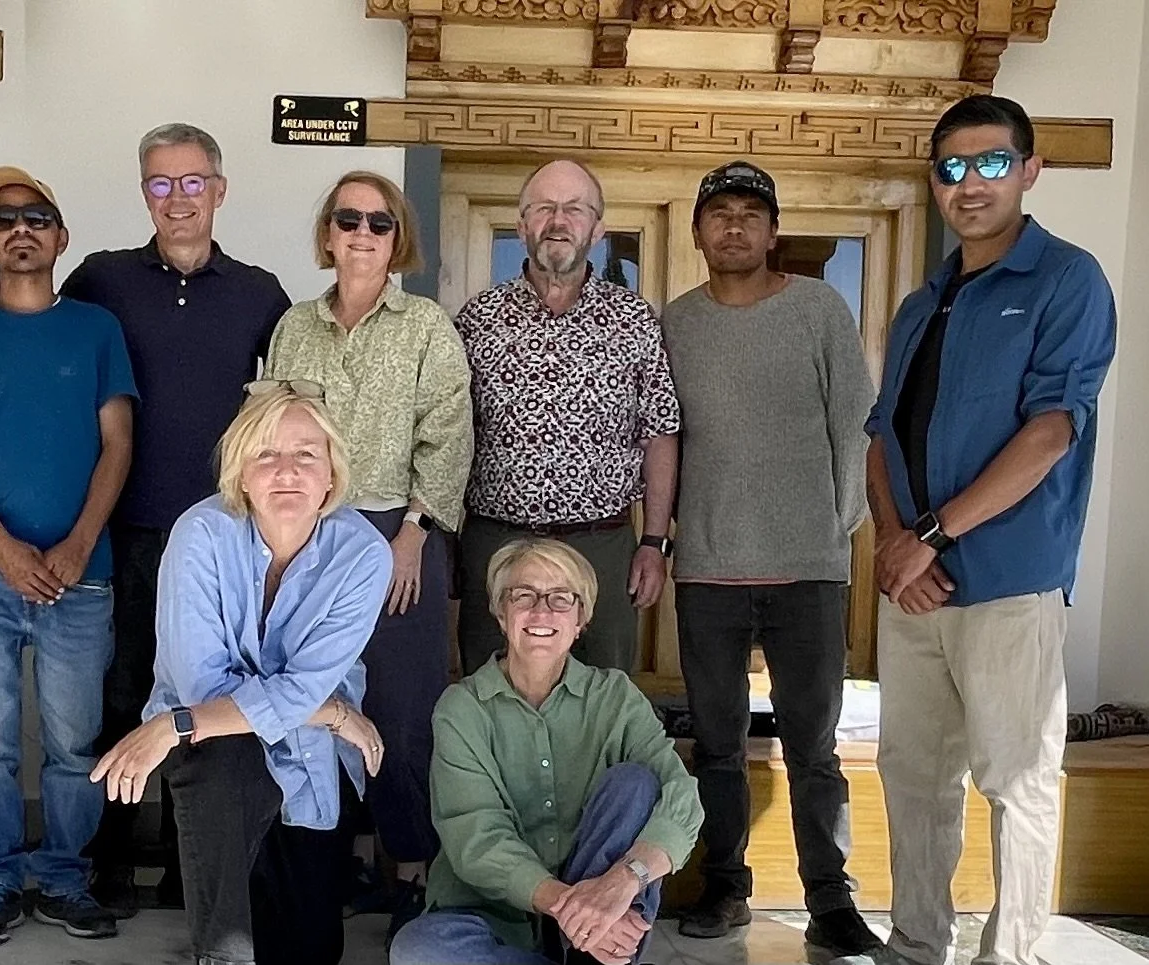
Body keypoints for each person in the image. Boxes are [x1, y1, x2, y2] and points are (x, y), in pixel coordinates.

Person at [836, 96, 1117, 965]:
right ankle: (917, 941)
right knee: (914, 775)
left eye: (992, 162)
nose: (971, 184)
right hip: (913, 588)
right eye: (952, 167)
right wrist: (896, 545)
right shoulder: (921, 304)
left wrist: (929, 535)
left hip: (1008, 583)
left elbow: (1050, 433)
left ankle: (1012, 953)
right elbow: (880, 436)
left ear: (1029, 170)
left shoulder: (1067, 280)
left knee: (1017, 779)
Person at [61, 122, 291, 912]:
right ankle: (111, 857)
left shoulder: (260, 293)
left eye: (193, 181)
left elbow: (285, 409)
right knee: (122, 691)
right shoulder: (102, 280)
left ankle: (191, 867)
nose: (178, 197)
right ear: (144, 193)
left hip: (226, 536)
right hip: (126, 527)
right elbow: (59, 366)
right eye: (161, 183)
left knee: (206, 696)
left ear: (219, 190)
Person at [658, 160, 881, 954]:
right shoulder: (676, 323)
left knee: (814, 747)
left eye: (752, 213)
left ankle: (830, 898)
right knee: (717, 745)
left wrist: (834, 527)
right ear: (697, 232)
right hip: (708, 566)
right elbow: (663, 435)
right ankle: (726, 886)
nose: (735, 225)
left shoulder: (819, 309)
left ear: (774, 231)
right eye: (719, 212)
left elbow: (855, 422)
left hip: (808, 570)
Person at [91, 383, 393, 965]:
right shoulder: (200, 534)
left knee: (308, 949)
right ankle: (222, 956)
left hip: (305, 754)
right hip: (216, 750)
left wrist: (173, 725)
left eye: (306, 454)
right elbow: (202, 691)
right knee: (223, 762)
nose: (287, 471)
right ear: (241, 473)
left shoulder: (363, 553)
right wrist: (331, 712)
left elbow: (296, 686)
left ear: (331, 473)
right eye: (266, 454)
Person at [263, 170, 472, 938]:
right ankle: (343, 859)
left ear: (397, 238)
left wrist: (414, 532)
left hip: (395, 532)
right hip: (310, 536)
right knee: (321, 699)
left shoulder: (425, 327)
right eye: (347, 219)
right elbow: (271, 429)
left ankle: (411, 866)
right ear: (328, 232)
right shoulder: (294, 326)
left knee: (403, 712)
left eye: (378, 223)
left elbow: (447, 433)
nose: (361, 233)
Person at [0, 166, 137, 945]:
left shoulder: (97, 328)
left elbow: (118, 443)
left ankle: (63, 879)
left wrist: (79, 543)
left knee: (73, 744)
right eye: (3, 218)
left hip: (81, 575)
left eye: (38, 217)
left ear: (61, 237)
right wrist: (3, 548)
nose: (22, 228)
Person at [390, 538, 702, 965]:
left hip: (603, 918)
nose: (541, 612)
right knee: (417, 950)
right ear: (501, 614)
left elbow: (681, 795)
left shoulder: (615, 697)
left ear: (581, 619)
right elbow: (476, 837)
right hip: (492, 917)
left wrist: (622, 883)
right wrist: (571, 908)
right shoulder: (461, 708)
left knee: (635, 784)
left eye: (560, 598)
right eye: (524, 596)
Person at [455, 159, 679, 677]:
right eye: (544, 208)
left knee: (603, 690)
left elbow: (660, 433)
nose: (558, 221)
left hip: (600, 545)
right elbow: (448, 433)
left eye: (575, 209)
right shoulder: (477, 319)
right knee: (490, 689)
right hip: (498, 543)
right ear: (522, 226)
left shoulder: (634, 320)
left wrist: (654, 542)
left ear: (597, 229)